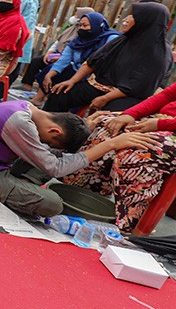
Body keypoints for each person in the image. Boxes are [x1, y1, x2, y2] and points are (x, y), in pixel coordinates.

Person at [0, 101, 159, 217]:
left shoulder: (29, 108)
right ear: (54, 130)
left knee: (60, 156)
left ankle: (19, 186)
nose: (50, 144)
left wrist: (85, 127)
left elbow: (56, 151)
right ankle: (16, 189)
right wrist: (111, 144)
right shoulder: (19, 123)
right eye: (53, 140)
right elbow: (55, 168)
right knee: (52, 204)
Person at [64, 89, 176, 231]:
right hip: (164, 119)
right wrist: (129, 114)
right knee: (106, 125)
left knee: (138, 151)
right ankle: (85, 200)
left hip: (167, 125)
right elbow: (168, 95)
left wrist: (161, 124)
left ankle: (128, 225)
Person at [44, 2, 173, 112]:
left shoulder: (159, 54)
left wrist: (105, 98)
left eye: (133, 16)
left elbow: (139, 87)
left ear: (146, 22)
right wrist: (72, 81)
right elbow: (92, 62)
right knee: (59, 94)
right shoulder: (122, 40)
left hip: (129, 95)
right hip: (102, 84)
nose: (126, 19)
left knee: (108, 114)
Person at [28, 12, 120, 106]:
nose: (81, 28)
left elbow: (102, 62)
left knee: (66, 93)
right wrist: (49, 75)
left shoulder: (110, 39)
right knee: (50, 73)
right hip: (76, 69)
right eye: (80, 25)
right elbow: (63, 60)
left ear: (97, 25)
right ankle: (40, 99)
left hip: (94, 76)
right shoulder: (78, 40)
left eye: (85, 25)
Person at [20, 7, 94, 92]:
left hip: (69, 60)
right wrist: (49, 53)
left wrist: (60, 58)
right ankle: (27, 85)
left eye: (76, 15)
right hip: (57, 54)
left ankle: (43, 93)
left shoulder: (84, 34)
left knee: (52, 69)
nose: (74, 17)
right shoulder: (71, 28)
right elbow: (58, 42)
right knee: (36, 61)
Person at [11, 0, 47, 84]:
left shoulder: (35, 1)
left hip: (26, 40)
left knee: (15, 70)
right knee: (11, 70)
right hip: (17, 38)